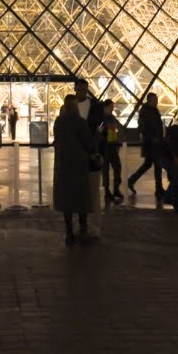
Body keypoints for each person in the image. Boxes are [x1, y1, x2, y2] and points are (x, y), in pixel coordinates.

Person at [53, 94, 95, 245]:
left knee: (66, 201)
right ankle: (82, 230)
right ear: (75, 107)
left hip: (63, 165)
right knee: (81, 198)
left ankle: (69, 233)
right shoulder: (80, 122)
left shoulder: (58, 122)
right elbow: (88, 143)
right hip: (78, 164)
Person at [71, 78, 106, 237]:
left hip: (92, 155)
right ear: (75, 89)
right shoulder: (69, 107)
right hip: (76, 156)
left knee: (93, 193)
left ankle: (95, 226)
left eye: (84, 90)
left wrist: (98, 151)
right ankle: (82, 225)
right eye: (79, 90)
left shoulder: (97, 107)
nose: (81, 93)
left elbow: (102, 130)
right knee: (78, 192)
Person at [127, 93, 165, 197]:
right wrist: (152, 138)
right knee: (157, 165)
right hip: (151, 143)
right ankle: (158, 189)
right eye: (154, 100)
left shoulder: (152, 110)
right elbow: (142, 127)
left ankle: (131, 180)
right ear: (149, 100)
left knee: (148, 165)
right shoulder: (145, 111)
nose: (156, 102)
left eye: (156, 100)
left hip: (154, 143)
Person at [100, 99, 124, 203]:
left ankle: (115, 188)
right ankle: (107, 190)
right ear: (105, 107)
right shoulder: (102, 119)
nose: (112, 109)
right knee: (105, 169)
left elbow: (119, 128)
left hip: (112, 145)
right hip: (105, 147)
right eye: (110, 107)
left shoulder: (111, 118)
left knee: (117, 166)